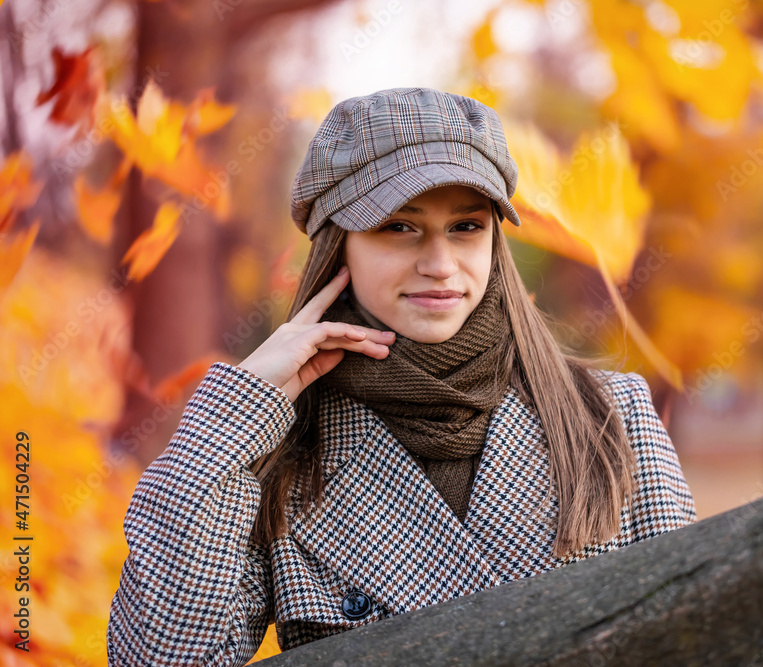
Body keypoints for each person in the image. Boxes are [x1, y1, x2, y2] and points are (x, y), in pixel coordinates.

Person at [106, 87, 697, 666]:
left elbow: (695, 633)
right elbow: (161, 658)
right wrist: (231, 423)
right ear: (338, 249)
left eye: (467, 227)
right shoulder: (282, 449)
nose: (441, 266)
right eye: (399, 227)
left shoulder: (608, 415)